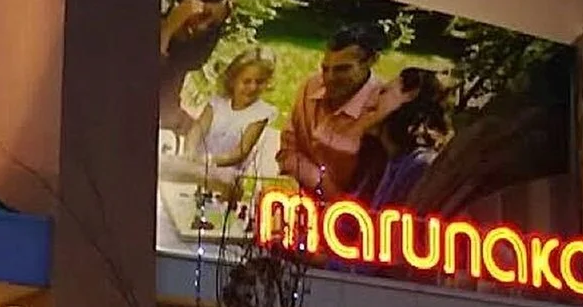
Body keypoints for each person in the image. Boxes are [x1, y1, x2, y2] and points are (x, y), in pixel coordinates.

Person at [276, 24, 388, 198]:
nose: (329, 78)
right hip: (300, 195)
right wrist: (319, 182)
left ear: (371, 60)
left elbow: (375, 184)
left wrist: (335, 201)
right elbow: (287, 152)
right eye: (325, 69)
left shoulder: (382, 107)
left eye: (342, 69)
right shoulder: (311, 86)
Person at [183, 47, 277, 178]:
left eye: (259, 82)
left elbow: (241, 152)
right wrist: (190, 151)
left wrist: (211, 160)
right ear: (233, 81)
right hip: (197, 165)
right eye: (247, 81)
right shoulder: (217, 104)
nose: (253, 87)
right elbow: (197, 129)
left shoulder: (260, 114)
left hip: (227, 174)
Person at [366, 68, 450, 210]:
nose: (370, 100)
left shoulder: (420, 166)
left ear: (409, 101)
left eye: (383, 92)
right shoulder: (388, 158)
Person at [160, 0, 234, 135]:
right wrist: (168, 28)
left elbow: (166, 109)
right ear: (192, 0)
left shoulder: (179, 53)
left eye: (211, 26)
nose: (202, 26)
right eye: (204, 14)